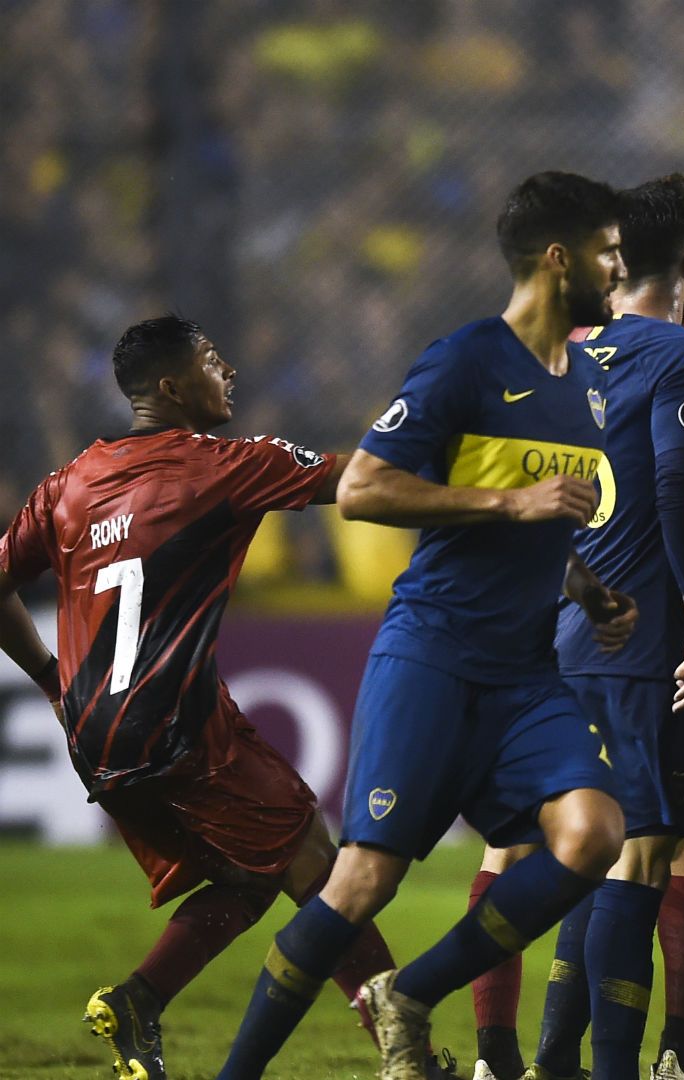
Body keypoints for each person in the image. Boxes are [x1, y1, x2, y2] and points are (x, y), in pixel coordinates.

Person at [217, 171, 638, 1080]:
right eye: (608, 252)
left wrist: (584, 584)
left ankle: (409, 993)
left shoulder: (590, 384)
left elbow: (538, 519)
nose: (621, 267)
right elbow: (363, 487)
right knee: (363, 882)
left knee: (595, 833)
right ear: (558, 261)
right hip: (436, 657)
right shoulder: (465, 360)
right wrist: (510, 500)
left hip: (524, 674)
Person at [0, 316, 434, 1080]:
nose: (226, 367)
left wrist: (47, 675)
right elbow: (359, 480)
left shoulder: (65, 485)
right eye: (208, 359)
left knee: (249, 873)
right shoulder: (225, 466)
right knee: (324, 872)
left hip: (95, 735)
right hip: (177, 723)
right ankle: (411, 1058)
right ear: (172, 388)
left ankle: (140, 1000)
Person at [502, 175, 684, 1080]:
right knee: (639, 860)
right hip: (641, 644)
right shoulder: (681, 355)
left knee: (590, 856)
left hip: (565, 634)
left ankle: (551, 1061)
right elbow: (679, 490)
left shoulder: (564, 352)